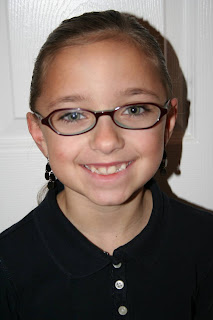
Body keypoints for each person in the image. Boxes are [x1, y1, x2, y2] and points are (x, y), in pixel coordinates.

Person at [0, 9, 213, 320]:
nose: (106, 141)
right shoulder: (8, 267)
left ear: (167, 125)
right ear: (40, 135)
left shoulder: (206, 246)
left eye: (135, 109)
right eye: (72, 115)